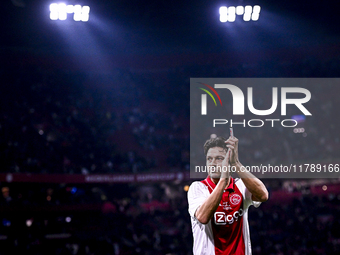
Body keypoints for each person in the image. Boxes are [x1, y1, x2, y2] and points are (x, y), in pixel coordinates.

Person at [188, 136, 268, 255]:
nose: (213, 163)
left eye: (219, 158)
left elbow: (263, 195)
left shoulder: (240, 186)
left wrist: (236, 163)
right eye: (209, 159)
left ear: (228, 160)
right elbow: (203, 217)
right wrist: (223, 180)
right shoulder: (198, 188)